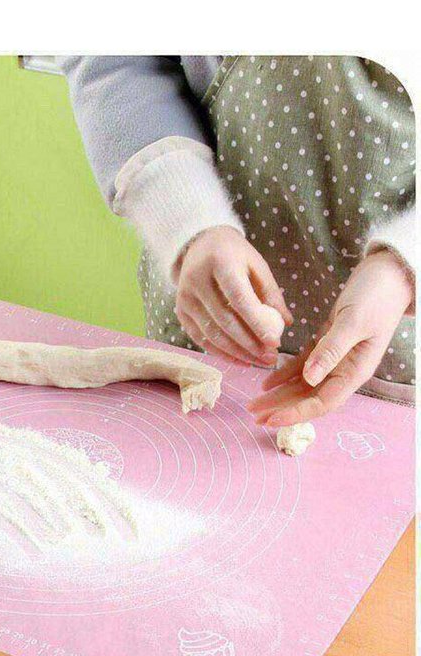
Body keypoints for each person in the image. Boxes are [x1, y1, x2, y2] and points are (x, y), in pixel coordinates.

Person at [59, 56, 415, 425]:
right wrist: (187, 218)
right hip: (200, 309)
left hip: (395, 359)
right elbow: (115, 61)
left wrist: (403, 267)